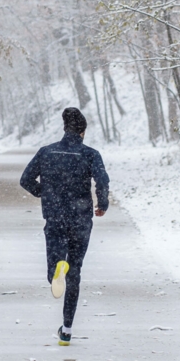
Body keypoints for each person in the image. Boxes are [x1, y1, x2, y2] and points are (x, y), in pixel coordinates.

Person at [20, 107, 109, 345]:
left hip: (55, 217)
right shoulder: (90, 154)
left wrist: (45, 193)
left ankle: (56, 271)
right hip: (80, 218)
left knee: (57, 267)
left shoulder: (46, 152)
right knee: (76, 272)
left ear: (64, 128)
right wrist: (102, 204)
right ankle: (67, 329)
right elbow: (102, 180)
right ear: (82, 131)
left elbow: (25, 179)